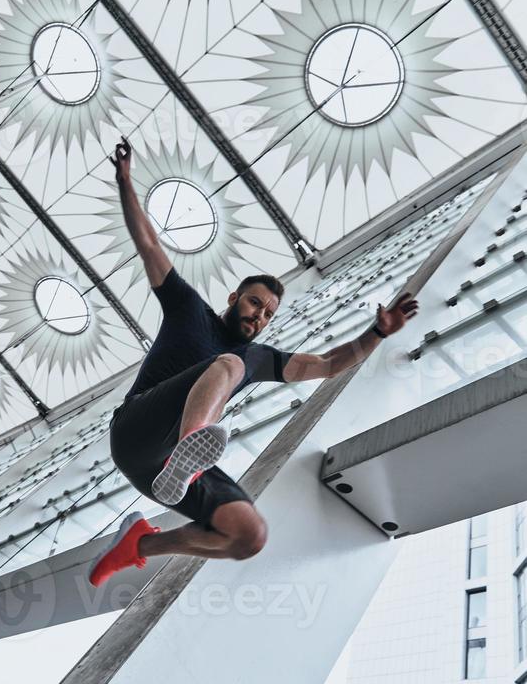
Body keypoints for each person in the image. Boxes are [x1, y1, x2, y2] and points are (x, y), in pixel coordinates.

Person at [90, 138, 419, 586]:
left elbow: (325, 364)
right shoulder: (189, 310)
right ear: (234, 297)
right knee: (228, 365)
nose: (258, 316)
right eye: (253, 303)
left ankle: (140, 544)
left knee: (248, 535)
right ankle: (190, 450)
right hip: (136, 430)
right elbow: (148, 245)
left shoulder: (260, 357)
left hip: (163, 470)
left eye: (267, 314)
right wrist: (126, 182)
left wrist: (378, 332)